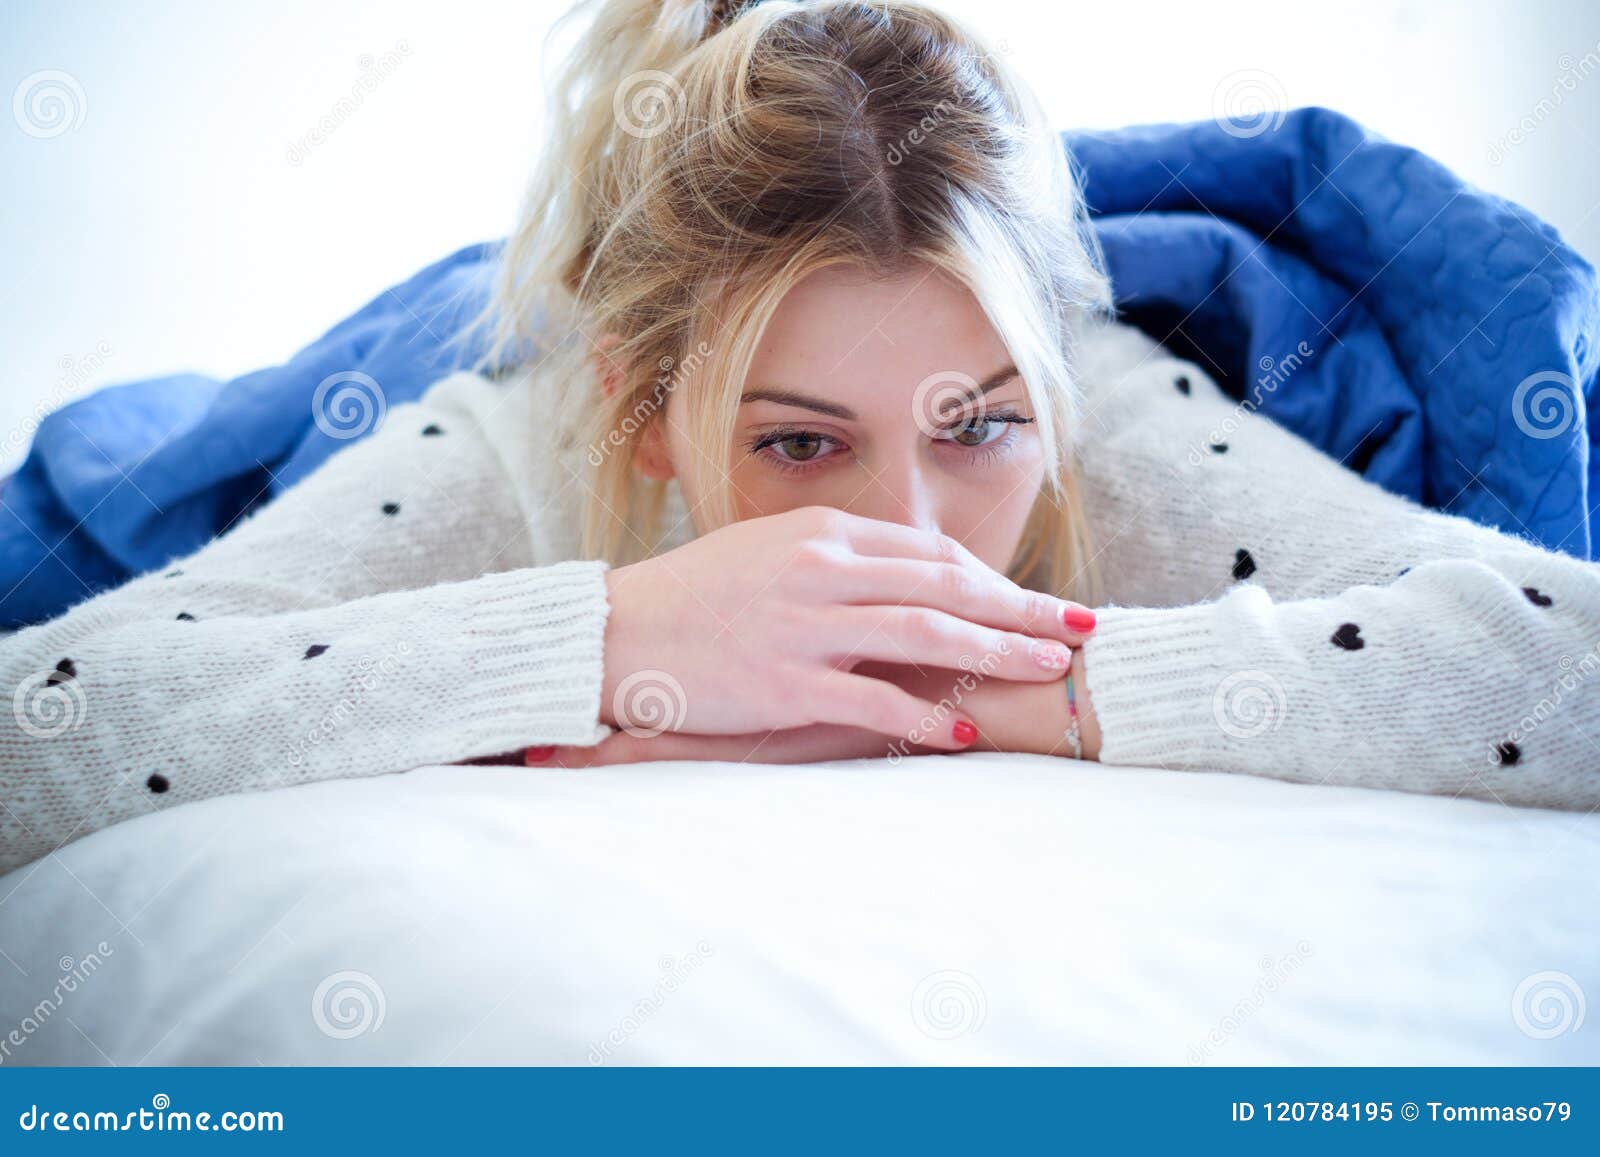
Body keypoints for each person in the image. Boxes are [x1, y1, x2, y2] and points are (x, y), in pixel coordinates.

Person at [2, 0, 1596, 875]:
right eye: (799, 445)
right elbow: (31, 734)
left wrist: (1006, 688)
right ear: (644, 413)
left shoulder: (1084, 405)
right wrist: (612, 634)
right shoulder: (518, 446)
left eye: (975, 429)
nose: (912, 534)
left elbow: (1566, 660)